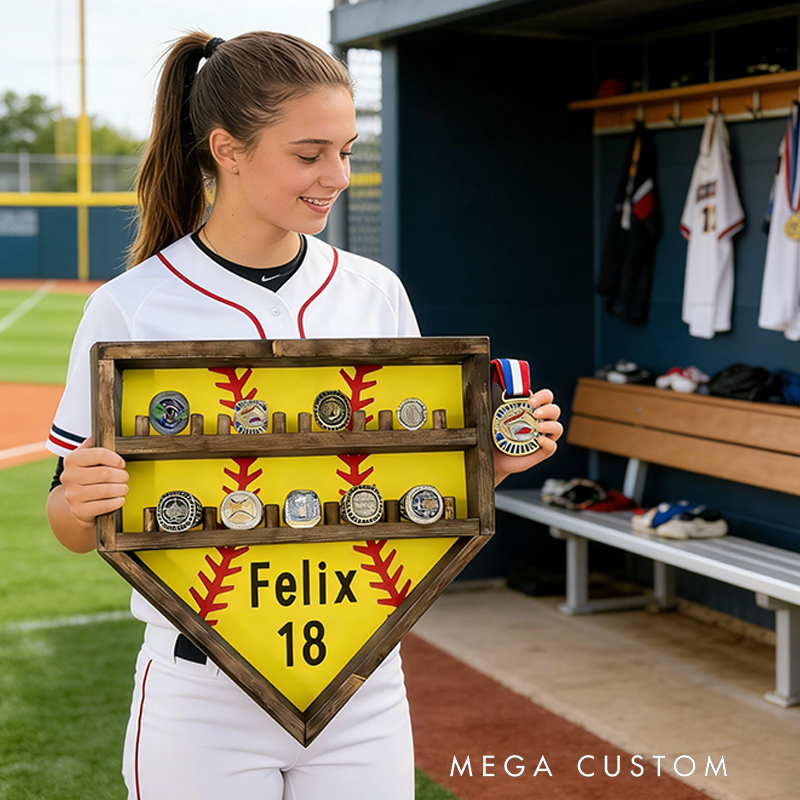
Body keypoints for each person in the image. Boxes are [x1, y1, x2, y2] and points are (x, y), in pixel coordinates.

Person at [45, 30, 563, 800]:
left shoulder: (374, 290)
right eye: (311, 153)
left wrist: (489, 463)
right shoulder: (130, 306)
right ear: (228, 147)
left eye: (348, 150)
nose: (338, 177)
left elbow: (406, 481)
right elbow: (70, 523)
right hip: (201, 689)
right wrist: (79, 500)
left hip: (364, 679)